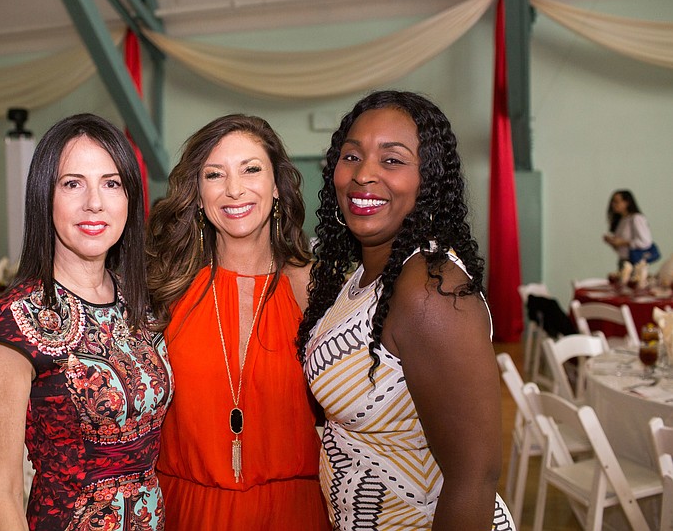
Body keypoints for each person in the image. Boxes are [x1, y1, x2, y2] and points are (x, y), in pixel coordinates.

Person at [296, 91, 513, 530]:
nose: (364, 174)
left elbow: (474, 477)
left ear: (427, 180)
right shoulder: (367, 276)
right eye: (351, 156)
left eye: (392, 160)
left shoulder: (430, 291)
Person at [0, 113, 173, 530]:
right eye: (72, 183)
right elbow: (0, 491)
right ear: (44, 198)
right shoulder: (13, 325)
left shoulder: (141, 303)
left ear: (130, 199)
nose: (94, 202)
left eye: (111, 183)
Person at [147, 114, 329, 530]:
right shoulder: (164, 289)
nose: (234, 189)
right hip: (187, 513)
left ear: (277, 186)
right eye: (215, 174)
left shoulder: (314, 288)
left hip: (293, 515)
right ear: (197, 195)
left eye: (251, 169)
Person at [604, 189, 656, 266]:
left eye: (616, 202)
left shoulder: (636, 218)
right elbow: (621, 248)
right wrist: (613, 242)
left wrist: (624, 242)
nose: (613, 205)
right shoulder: (622, 220)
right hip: (623, 260)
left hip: (635, 262)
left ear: (626, 203)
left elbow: (645, 242)